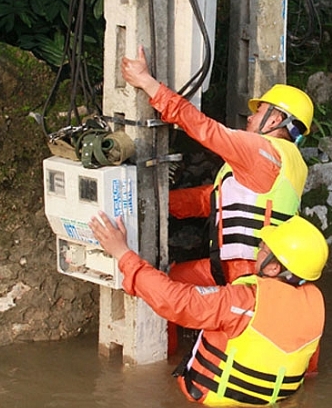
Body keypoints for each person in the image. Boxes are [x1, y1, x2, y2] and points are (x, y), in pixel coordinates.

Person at [121, 46, 314, 289]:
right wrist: (160, 203)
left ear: (275, 119)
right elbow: (216, 200)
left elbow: (204, 128)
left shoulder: (260, 150)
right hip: (249, 267)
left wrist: (147, 83)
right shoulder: (293, 163)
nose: (250, 118)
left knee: (162, 290)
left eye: (259, 111)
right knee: (171, 280)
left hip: (244, 270)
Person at [89, 211, 329, 407]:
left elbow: (176, 302)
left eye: (263, 248)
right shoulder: (315, 306)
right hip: (274, 407)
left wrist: (122, 253)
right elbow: (310, 370)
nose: (258, 251)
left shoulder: (245, 301)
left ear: (274, 268)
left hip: (211, 404)